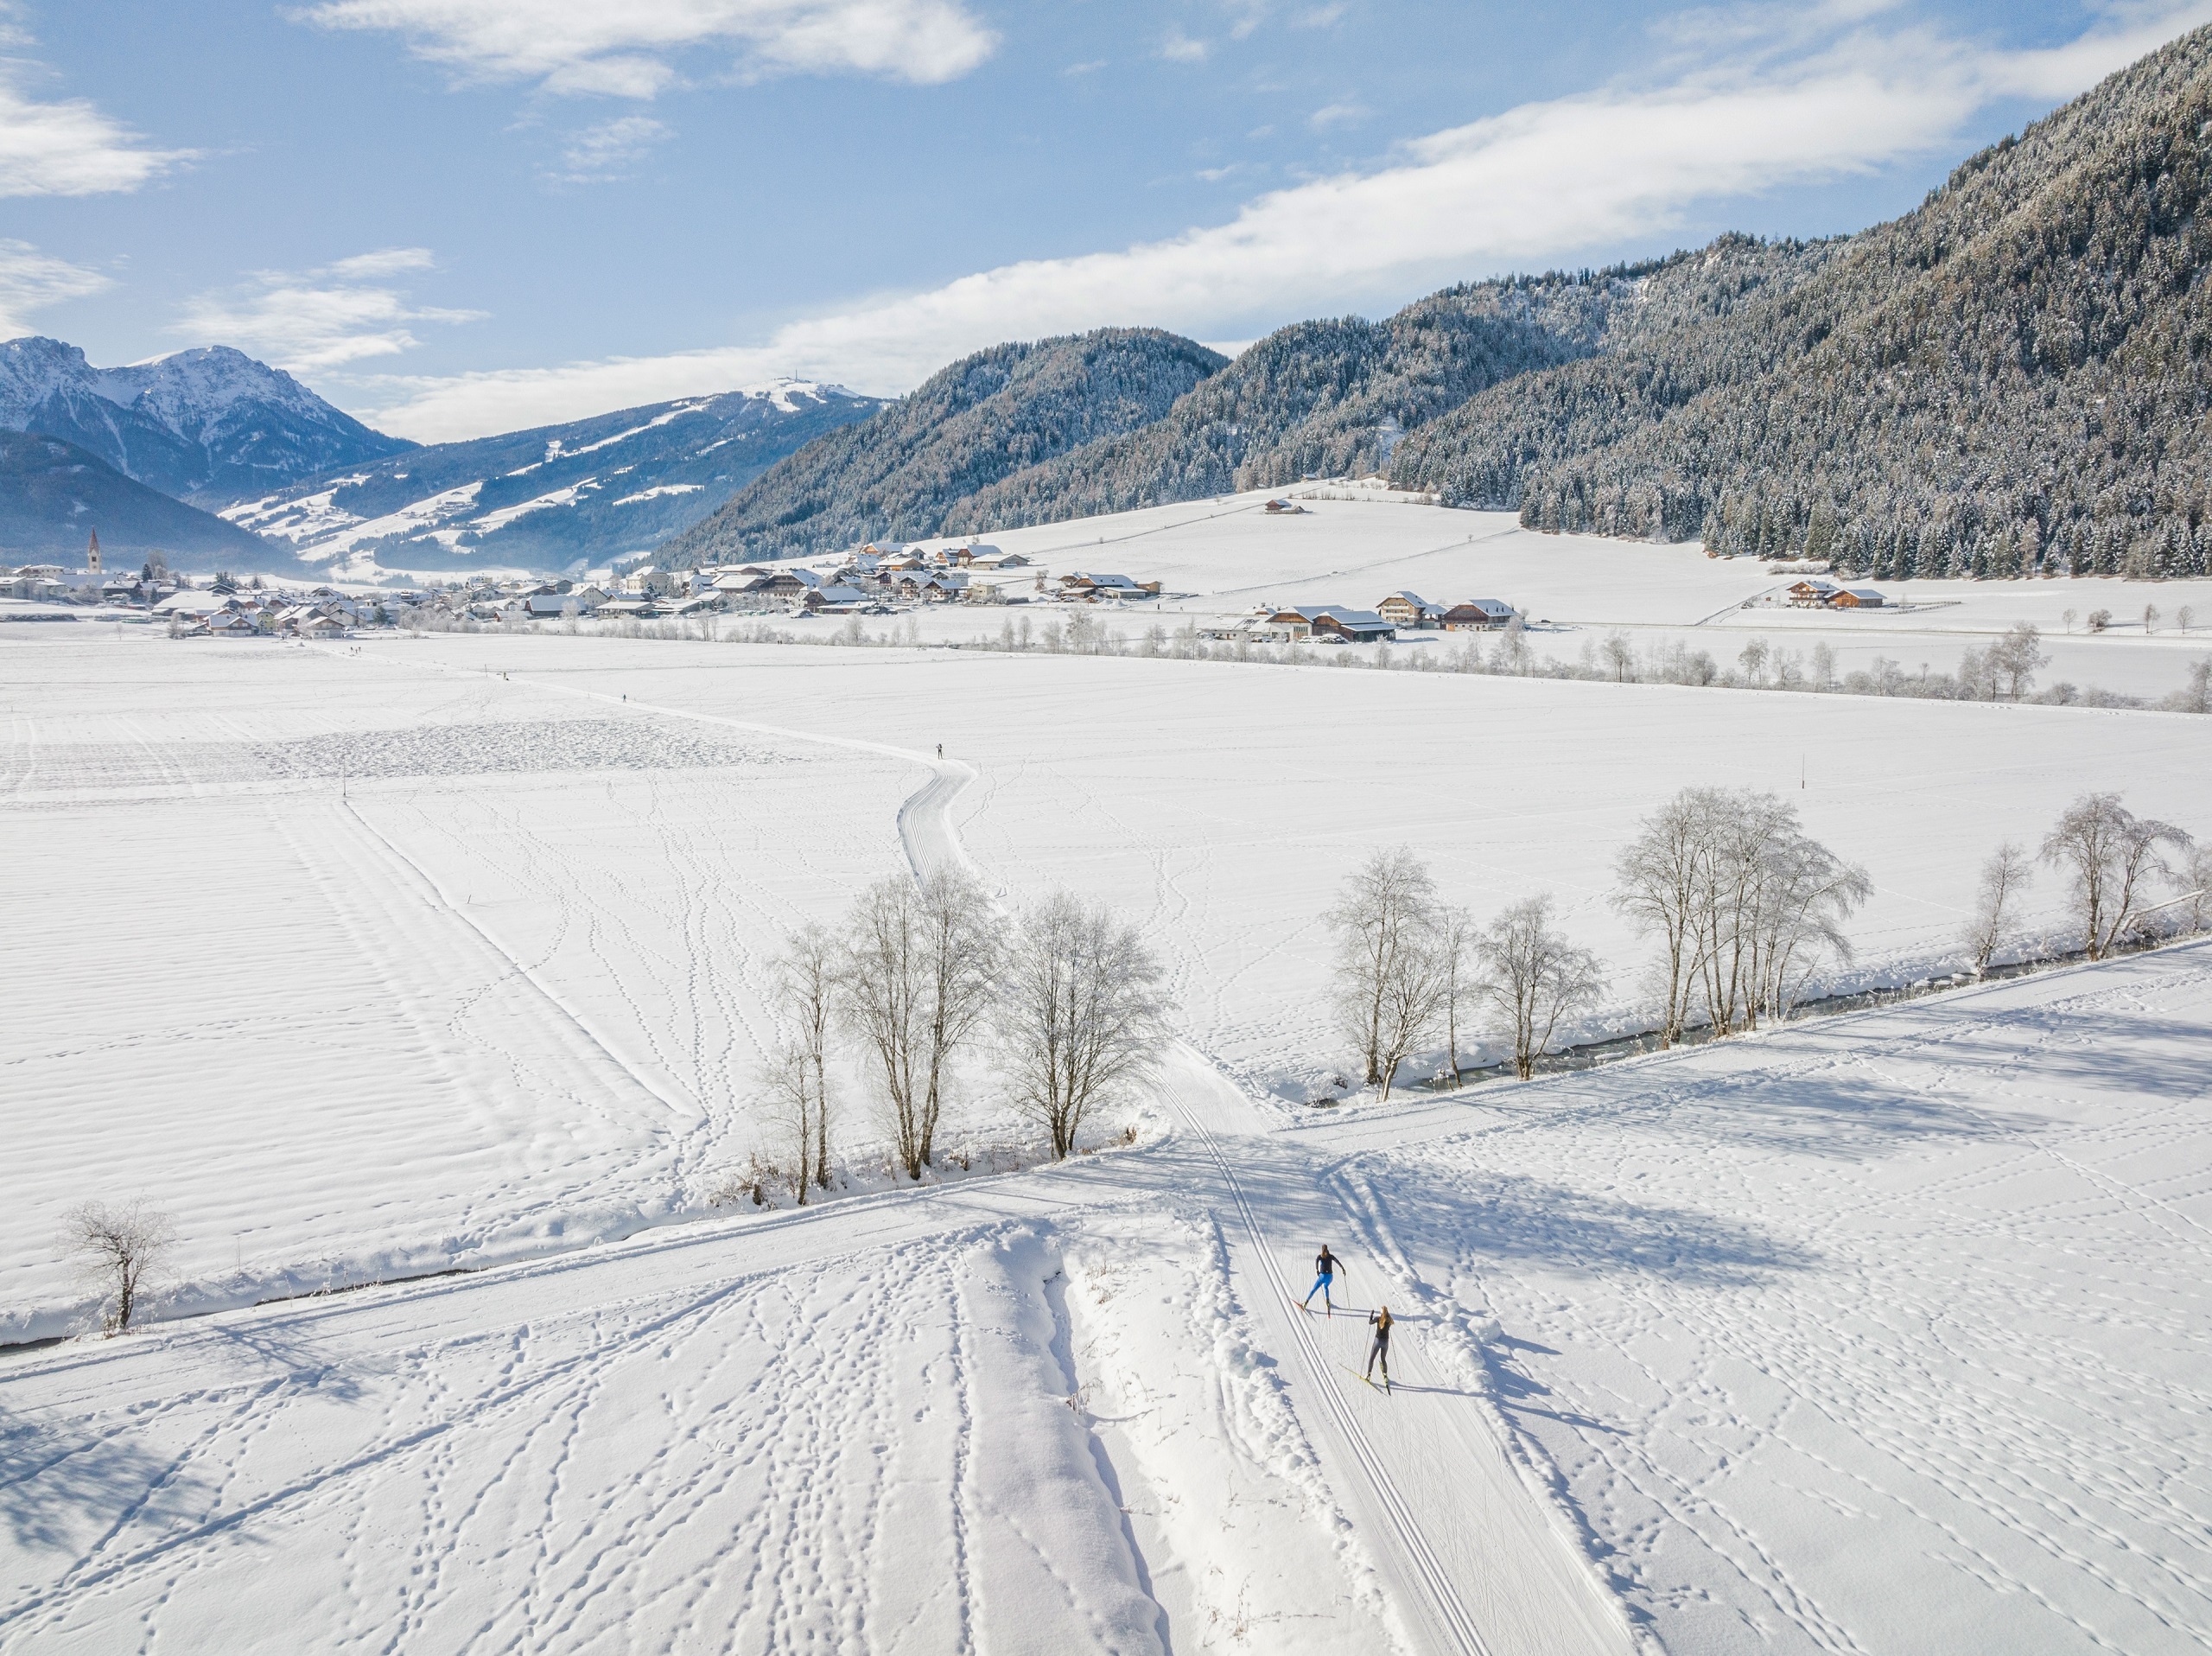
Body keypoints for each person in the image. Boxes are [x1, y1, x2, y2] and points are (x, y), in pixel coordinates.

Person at [1301, 1245, 1342, 1314]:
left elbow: (1316, 1261)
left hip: (1322, 1277)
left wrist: (1317, 1270)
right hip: (1330, 1277)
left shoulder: (1320, 1256)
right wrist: (1343, 1269)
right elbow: (1337, 1261)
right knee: (1325, 1287)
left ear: (1322, 1250)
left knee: (1314, 1289)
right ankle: (1327, 1301)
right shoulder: (1331, 1256)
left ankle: (1306, 1302)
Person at [1365, 1305, 1394, 1387]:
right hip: (1385, 1342)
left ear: (1381, 1312)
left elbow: (1370, 1322)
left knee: (1372, 1358)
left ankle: (1369, 1375)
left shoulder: (1378, 1319)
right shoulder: (1390, 1320)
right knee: (1383, 1359)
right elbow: (1390, 1321)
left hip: (1377, 1341)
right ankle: (1385, 1375)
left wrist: (1371, 1315)